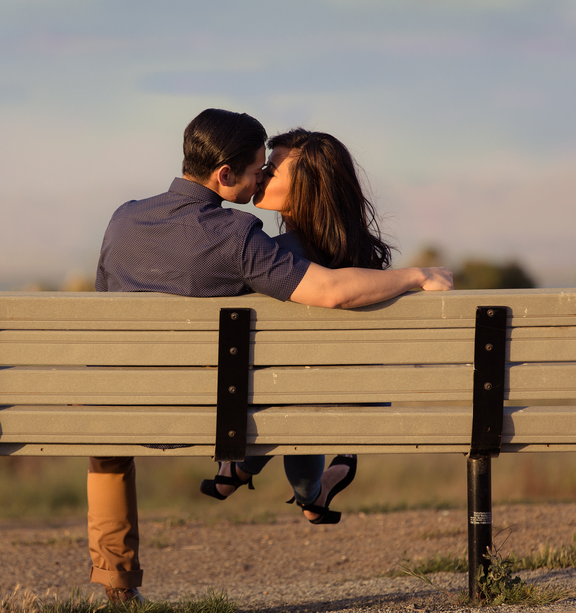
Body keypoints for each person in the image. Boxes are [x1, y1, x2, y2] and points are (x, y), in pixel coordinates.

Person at [92, 109, 452, 603]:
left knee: (108, 444)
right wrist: (416, 277)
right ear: (224, 175)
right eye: (259, 167)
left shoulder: (123, 218)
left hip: (121, 407)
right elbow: (329, 290)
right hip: (214, 419)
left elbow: (104, 305)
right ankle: (290, 484)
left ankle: (116, 585)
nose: (262, 175)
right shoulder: (239, 237)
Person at [199, 128, 393, 524]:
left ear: (305, 188)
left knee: (287, 395)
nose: (259, 176)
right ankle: (310, 495)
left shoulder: (271, 258)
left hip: (274, 400)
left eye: (270, 171)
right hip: (355, 402)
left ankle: (239, 471)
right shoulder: (368, 266)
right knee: (298, 393)